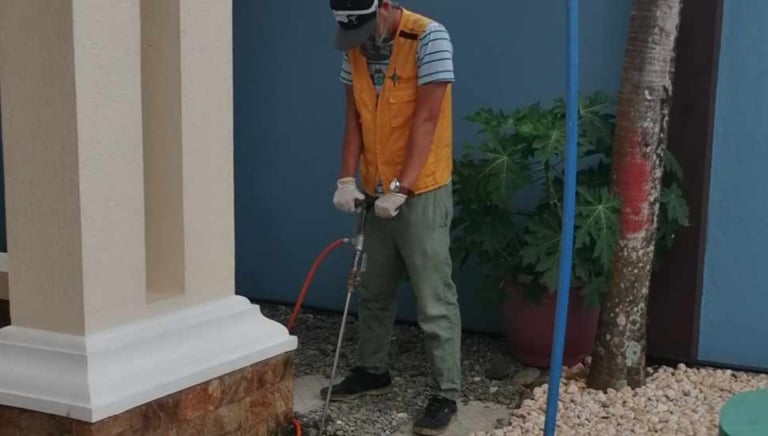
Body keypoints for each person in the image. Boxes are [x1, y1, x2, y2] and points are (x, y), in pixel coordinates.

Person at [325, 0, 462, 434]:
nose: (361, 41)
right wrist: (347, 179)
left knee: (433, 296)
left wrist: (401, 188)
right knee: (374, 288)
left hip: (420, 191)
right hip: (374, 188)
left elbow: (426, 118)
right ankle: (372, 371)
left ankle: (446, 393)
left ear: (384, 6)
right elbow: (354, 119)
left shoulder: (429, 38)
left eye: (366, 27)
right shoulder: (354, 48)